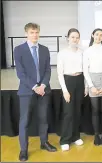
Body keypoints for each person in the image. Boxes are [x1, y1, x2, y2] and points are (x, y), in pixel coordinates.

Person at [14, 22, 57, 161]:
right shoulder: (19, 49)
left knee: (44, 118)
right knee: (24, 121)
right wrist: (34, 86)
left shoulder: (44, 49)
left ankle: (44, 142)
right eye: (32, 32)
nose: (35, 35)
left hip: (44, 90)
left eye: (37, 32)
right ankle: (24, 150)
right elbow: (20, 73)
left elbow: (48, 70)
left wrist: (43, 85)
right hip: (27, 91)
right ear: (26, 33)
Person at [57, 28, 88, 151]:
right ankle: (65, 139)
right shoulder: (62, 53)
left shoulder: (82, 52)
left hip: (80, 80)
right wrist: (65, 90)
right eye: (72, 37)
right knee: (68, 112)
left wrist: (86, 86)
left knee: (77, 111)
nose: (75, 39)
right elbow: (60, 73)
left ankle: (75, 136)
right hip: (68, 81)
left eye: (77, 37)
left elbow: (85, 70)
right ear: (68, 38)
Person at [83, 28, 102, 146]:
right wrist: (91, 86)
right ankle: (96, 134)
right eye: (97, 35)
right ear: (92, 35)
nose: (99, 37)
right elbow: (85, 70)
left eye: (101, 35)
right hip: (92, 80)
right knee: (95, 110)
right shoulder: (87, 51)